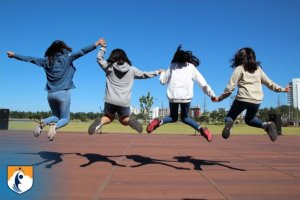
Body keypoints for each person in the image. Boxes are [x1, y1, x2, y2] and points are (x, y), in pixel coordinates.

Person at [7, 38, 103, 141]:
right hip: (63, 93)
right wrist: (96, 43)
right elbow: (82, 51)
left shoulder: (46, 61)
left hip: (50, 94)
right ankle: (55, 127)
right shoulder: (67, 57)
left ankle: (43, 122)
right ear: (63, 49)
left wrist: (14, 55)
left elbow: (31, 59)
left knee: (56, 116)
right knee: (65, 119)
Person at [211, 47, 289, 141]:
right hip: (256, 101)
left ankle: (230, 123)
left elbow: (230, 88)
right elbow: (270, 84)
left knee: (229, 117)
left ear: (239, 57)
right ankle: (266, 125)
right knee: (249, 120)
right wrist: (283, 89)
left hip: (242, 99)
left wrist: (220, 98)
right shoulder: (258, 69)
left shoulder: (239, 69)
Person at [88, 38, 163, 134]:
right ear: (125, 57)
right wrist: (158, 72)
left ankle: (100, 122)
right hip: (124, 101)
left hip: (110, 100)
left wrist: (103, 48)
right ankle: (129, 121)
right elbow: (145, 74)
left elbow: (99, 59)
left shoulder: (109, 68)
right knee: (123, 120)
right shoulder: (132, 70)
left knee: (109, 117)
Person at [146, 45, 216, 142]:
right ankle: (201, 129)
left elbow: (163, 81)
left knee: (172, 117)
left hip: (173, 97)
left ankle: (158, 121)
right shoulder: (191, 67)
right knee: (185, 118)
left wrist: (162, 72)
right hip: (185, 98)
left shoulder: (172, 66)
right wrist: (212, 95)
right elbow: (203, 84)